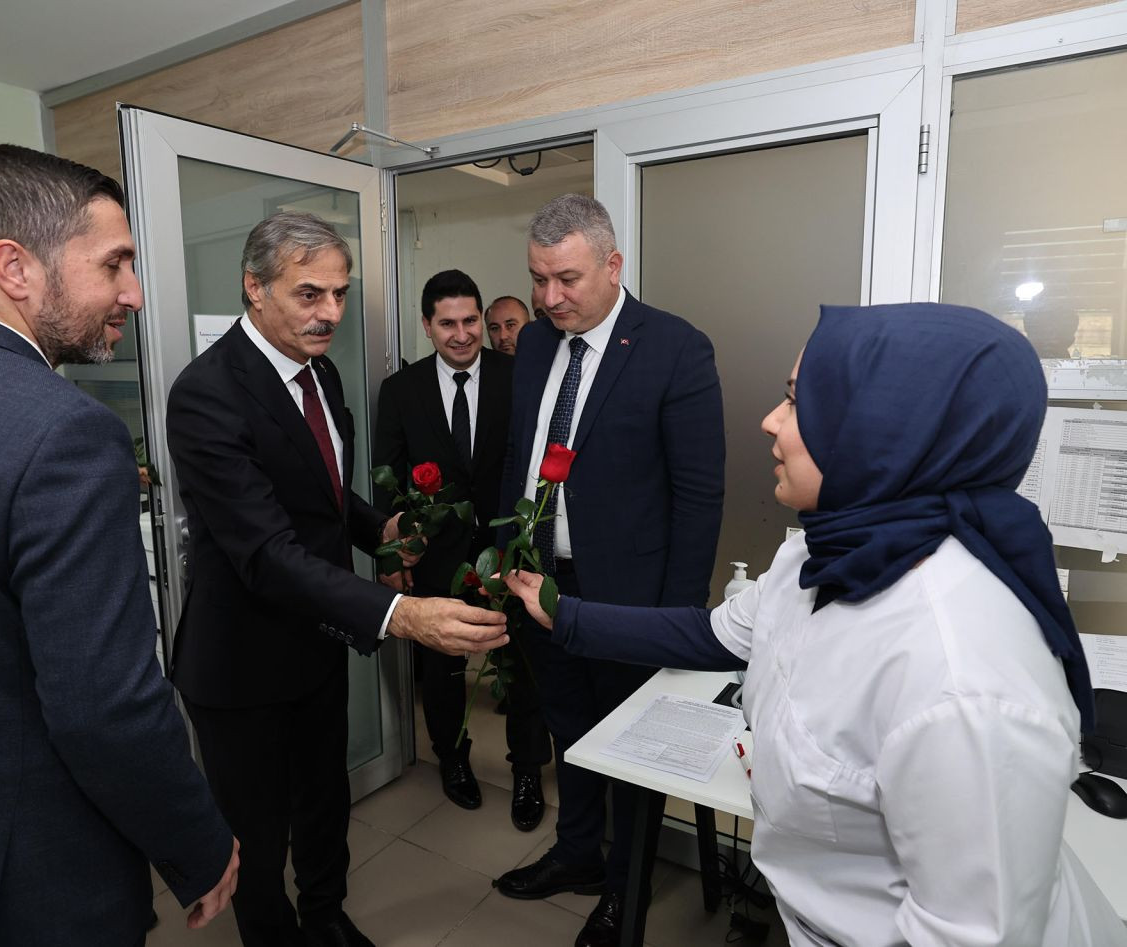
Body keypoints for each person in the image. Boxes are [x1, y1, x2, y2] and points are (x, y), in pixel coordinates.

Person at [506, 302, 1127, 946]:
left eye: (798, 402)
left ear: (884, 428)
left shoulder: (963, 680)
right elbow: (713, 636)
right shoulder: (821, 551)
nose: (769, 421)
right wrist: (561, 614)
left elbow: (966, 935)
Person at [0, 143, 238, 946]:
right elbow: (106, 708)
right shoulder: (67, 433)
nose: (132, 291)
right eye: (114, 263)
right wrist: (198, 847)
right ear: (15, 267)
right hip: (23, 884)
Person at [165, 213, 508, 947]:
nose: (330, 314)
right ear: (254, 288)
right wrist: (403, 613)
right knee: (257, 833)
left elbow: (320, 490)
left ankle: (325, 915)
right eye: (309, 293)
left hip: (314, 641)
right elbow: (264, 550)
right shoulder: (208, 393)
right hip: (241, 662)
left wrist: (372, 526)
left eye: (341, 294)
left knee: (323, 805)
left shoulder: (318, 373)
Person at [494, 194, 725, 947]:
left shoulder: (674, 348)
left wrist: (676, 622)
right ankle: (576, 854)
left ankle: (625, 884)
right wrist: (505, 559)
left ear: (612, 264)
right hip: (541, 586)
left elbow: (698, 495)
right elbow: (520, 459)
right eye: (538, 278)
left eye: (566, 278)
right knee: (571, 729)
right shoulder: (532, 345)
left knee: (631, 748)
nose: (550, 297)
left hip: (631, 601)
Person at [374, 269, 551, 830]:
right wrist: (396, 554)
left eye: (471, 321)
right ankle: (452, 759)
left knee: (522, 666)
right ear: (427, 326)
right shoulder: (401, 391)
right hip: (438, 555)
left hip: (511, 551)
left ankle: (526, 768)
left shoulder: (518, 376)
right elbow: (390, 483)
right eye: (447, 323)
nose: (462, 334)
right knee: (444, 669)